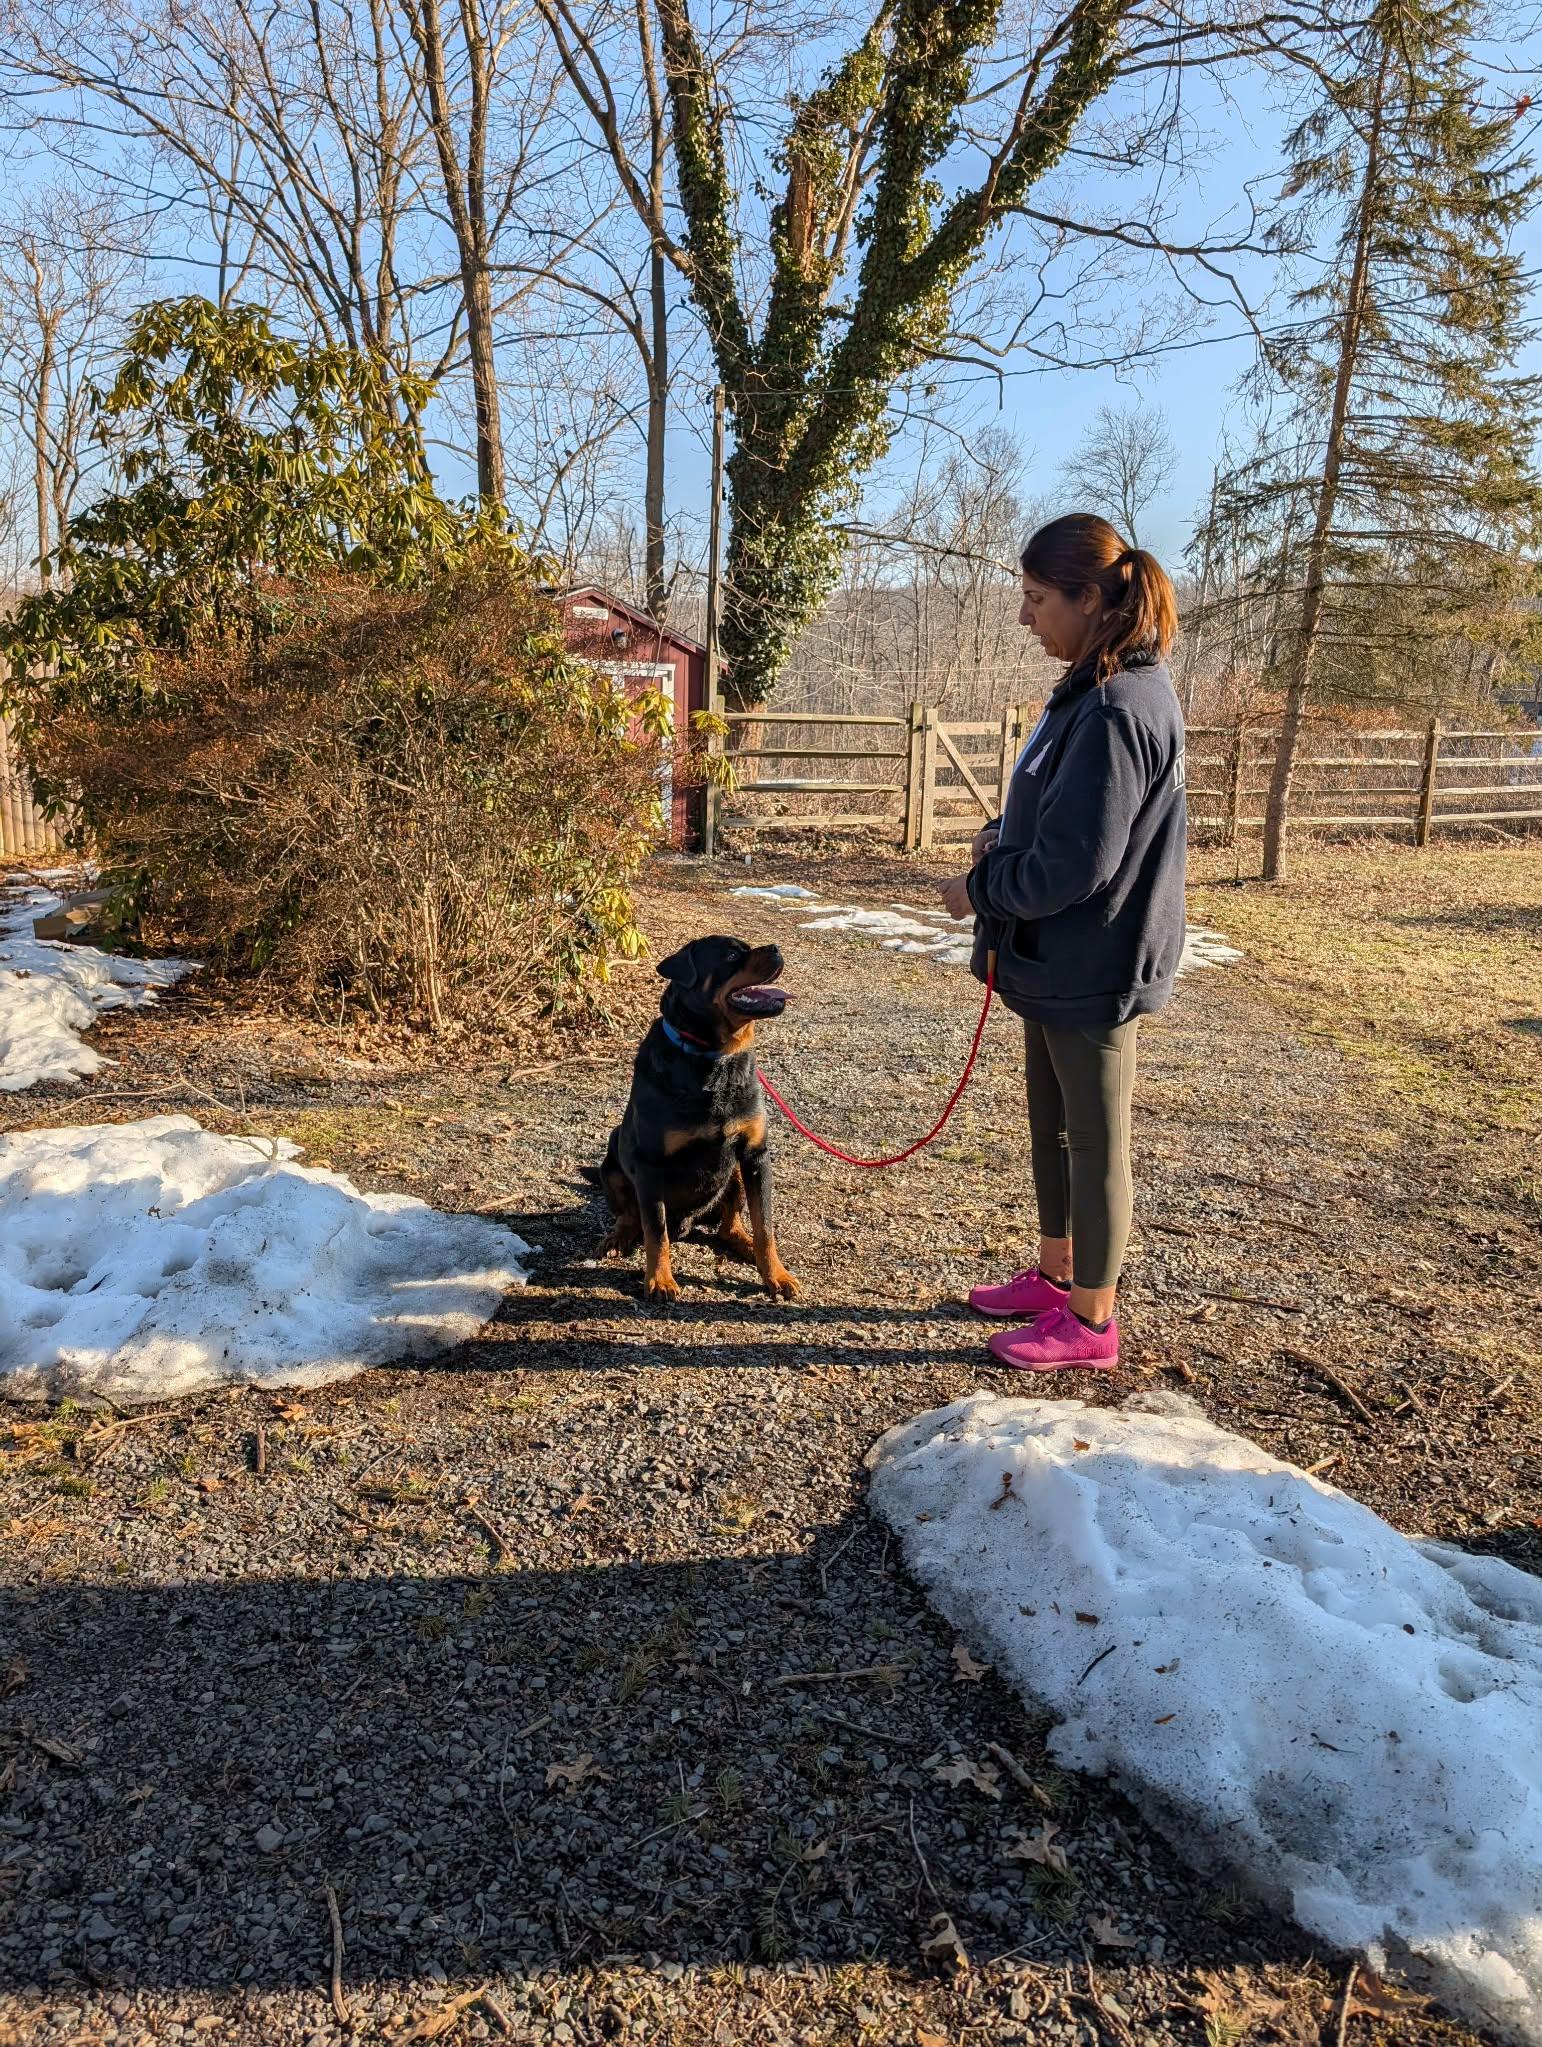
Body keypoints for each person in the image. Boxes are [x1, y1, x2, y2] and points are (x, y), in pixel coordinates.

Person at [936, 513, 1186, 1373]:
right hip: (1051, 961)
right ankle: (1056, 1275)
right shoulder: (1083, 690)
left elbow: (1078, 862)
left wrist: (979, 889)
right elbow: (1058, 811)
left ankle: (1092, 1322)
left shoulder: (1120, 706)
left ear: (1090, 599)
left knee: (1094, 1133)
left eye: (1038, 599)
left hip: (1095, 963)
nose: (1024, 616)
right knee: (1053, 1126)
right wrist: (1002, 832)